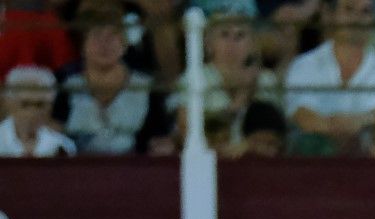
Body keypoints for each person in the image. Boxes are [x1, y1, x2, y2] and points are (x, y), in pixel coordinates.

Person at [283, 0, 375, 153]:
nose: (357, 18)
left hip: (368, 166)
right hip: (314, 165)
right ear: (331, 15)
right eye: (349, 9)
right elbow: (301, 114)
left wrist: (349, 124)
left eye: (366, 12)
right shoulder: (303, 65)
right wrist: (345, 127)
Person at [56, 2, 169, 154]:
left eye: (112, 36)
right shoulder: (64, 83)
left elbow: (159, 135)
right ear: (82, 43)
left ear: (124, 42)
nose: (105, 45)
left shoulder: (148, 86)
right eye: (97, 36)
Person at [169, 0, 281, 150]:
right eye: (224, 34)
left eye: (240, 35)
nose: (232, 42)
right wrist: (241, 98)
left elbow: (275, 140)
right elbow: (186, 132)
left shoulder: (267, 80)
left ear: (252, 44)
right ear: (208, 44)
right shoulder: (194, 78)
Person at [0, 61, 72, 152]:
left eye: (39, 105)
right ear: (9, 103)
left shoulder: (60, 146)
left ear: (50, 107)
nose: (32, 112)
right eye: (25, 104)